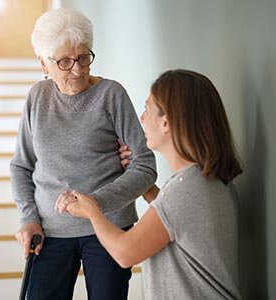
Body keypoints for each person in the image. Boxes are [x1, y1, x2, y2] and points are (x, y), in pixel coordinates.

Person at [10, 8, 157, 300]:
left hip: (109, 226)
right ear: (44, 63)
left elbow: (145, 166)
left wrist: (94, 205)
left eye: (83, 57)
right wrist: (28, 218)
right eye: (64, 62)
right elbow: (21, 167)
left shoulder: (111, 95)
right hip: (49, 231)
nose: (76, 70)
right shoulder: (37, 98)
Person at [63, 69, 243, 299]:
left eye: (147, 109)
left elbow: (124, 252)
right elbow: (175, 221)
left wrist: (92, 211)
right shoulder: (203, 181)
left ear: (166, 122)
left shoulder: (186, 189)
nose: (142, 118)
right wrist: (146, 188)